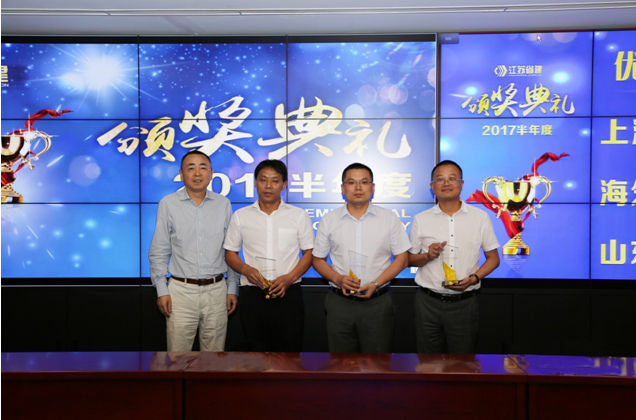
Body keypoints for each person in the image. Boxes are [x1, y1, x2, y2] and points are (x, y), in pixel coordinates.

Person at [312, 162, 411, 353]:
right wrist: (337, 278)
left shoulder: (389, 218)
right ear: (342, 188)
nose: (358, 187)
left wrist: (376, 283)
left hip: (377, 303)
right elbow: (317, 259)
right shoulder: (329, 220)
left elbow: (402, 259)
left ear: (372, 187)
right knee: (340, 363)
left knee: (378, 363)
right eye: (351, 182)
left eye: (364, 182)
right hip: (339, 303)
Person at [149, 150, 239, 351]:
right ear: (181, 174)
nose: (197, 173)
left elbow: (230, 249)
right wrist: (161, 290)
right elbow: (158, 251)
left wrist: (232, 287)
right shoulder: (168, 204)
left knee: (214, 358)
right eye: (191, 168)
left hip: (217, 290)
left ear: (211, 173)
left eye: (203, 168)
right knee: (178, 358)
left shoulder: (223, 204)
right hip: (180, 291)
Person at [409, 160, 500, 354]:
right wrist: (427, 256)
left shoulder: (480, 217)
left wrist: (474, 278)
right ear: (432, 186)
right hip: (428, 303)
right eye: (440, 179)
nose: (446, 183)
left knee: (463, 363)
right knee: (427, 363)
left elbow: (493, 258)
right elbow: (409, 260)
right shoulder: (420, 219)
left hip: (464, 304)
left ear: (462, 183)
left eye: (452, 178)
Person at [224, 159, 314, 352]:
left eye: (275, 180)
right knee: (255, 356)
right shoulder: (241, 216)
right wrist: (246, 269)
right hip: (253, 295)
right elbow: (230, 253)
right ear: (255, 183)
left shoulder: (298, 215)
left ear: (284, 184)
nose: (268, 185)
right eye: (263, 179)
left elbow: (309, 253)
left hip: (288, 294)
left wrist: (290, 278)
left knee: (290, 355)